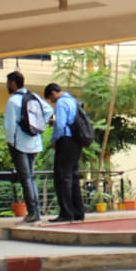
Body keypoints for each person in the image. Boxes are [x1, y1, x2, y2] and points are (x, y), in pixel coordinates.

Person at [5, 71, 51, 223]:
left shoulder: (13, 101)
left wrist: (10, 140)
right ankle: (35, 211)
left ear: (12, 83)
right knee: (31, 177)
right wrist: (40, 125)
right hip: (35, 141)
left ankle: (32, 213)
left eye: (8, 83)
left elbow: (10, 125)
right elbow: (49, 110)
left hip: (20, 143)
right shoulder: (35, 97)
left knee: (26, 179)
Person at [44, 82, 84, 224]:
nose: (52, 101)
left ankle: (66, 212)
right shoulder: (73, 100)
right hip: (76, 141)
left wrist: (54, 139)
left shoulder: (61, 103)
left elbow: (60, 125)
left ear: (53, 93)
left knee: (63, 177)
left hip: (65, 141)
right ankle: (78, 211)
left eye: (51, 98)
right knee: (73, 177)